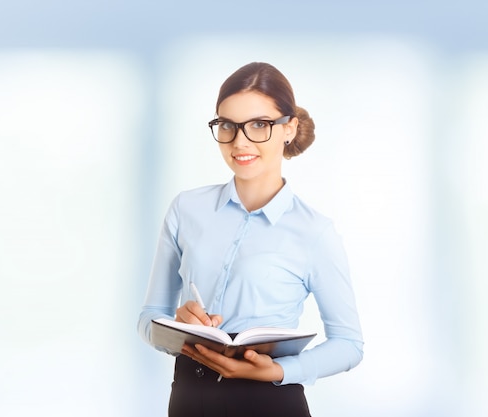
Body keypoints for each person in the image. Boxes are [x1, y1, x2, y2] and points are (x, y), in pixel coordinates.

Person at [137, 62, 363, 417]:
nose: (240, 141)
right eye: (227, 125)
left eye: (259, 125)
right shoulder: (187, 209)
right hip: (189, 401)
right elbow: (149, 318)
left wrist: (279, 371)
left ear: (288, 129)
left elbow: (349, 345)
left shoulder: (314, 231)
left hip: (271, 402)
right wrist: (177, 328)